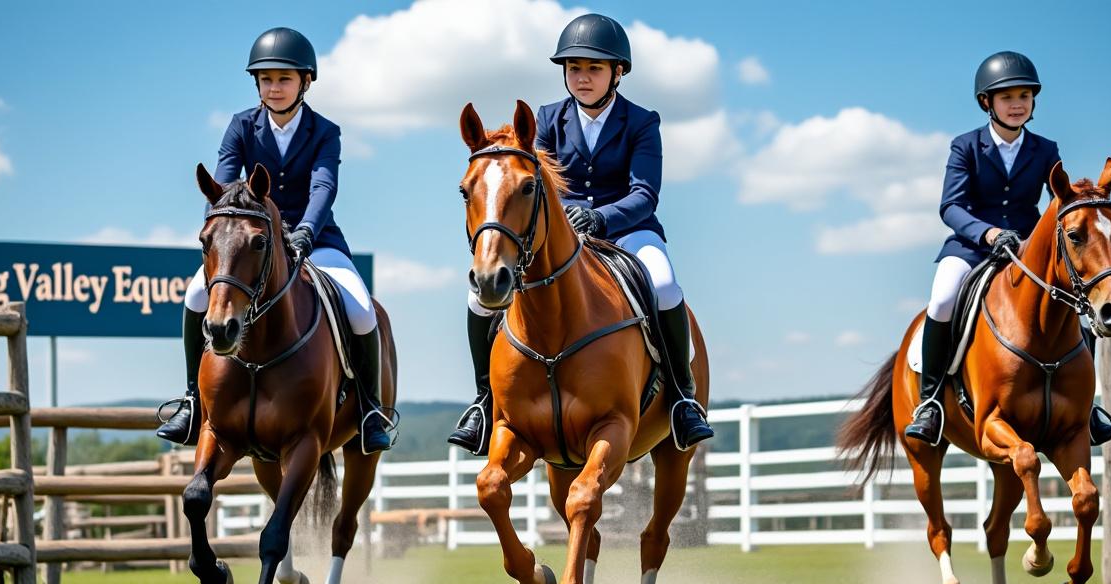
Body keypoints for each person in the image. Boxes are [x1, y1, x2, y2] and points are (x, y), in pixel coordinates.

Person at [448, 13, 713, 455]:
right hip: (562, 235)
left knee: (665, 285)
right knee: (478, 298)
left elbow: (645, 194)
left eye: (593, 68)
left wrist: (601, 219)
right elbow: (536, 186)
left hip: (629, 232)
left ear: (617, 73)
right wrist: (572, 217)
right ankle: (483, 402)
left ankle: (683, 399)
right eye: (574, 68)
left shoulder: (642, 122)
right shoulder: (548, 119)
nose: (583, 78)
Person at [156, 27, 392, 453]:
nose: (275, 87)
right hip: (248, 244)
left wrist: (304, 232)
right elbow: (223, 186)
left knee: (361, 309)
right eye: (267, 79)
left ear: (305, 82)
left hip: (314, 239)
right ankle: (193, 400)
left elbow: (323, 188)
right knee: (195, 297)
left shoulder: (324, 131)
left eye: (284, 79)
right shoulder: (240, 127)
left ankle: (370, 411)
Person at [905, 50, 1111, 447]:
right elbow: (950, 206)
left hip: (1025, 250)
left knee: (1075, 303)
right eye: (1007, 97)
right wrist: (987, 234)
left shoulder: (1044, 149)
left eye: (1024, 96)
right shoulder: (965, 146)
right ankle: (932, 401)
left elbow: (1061, 198)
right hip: (971, 246)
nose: (1017, 103)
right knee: (942, 300)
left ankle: (1086, 408)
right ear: (987, 102)